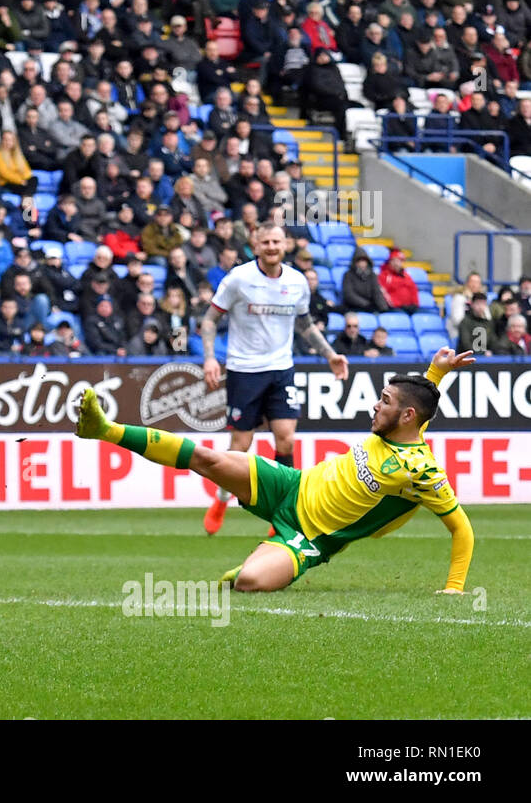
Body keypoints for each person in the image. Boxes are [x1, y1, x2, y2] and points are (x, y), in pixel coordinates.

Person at [74, 346, 477, 594]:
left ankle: (256, 562)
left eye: (384, 401)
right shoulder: (405, 422)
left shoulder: (421, 471)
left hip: (308, 538)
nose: (375, 405)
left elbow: (461, 528)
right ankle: (106, 429)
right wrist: (436, 373)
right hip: (291, 484)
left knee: (249, 582)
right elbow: (417, 404)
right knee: (209, 459)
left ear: (405, 415)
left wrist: (455, 588)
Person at [200, 221, 349, 536]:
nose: (271, 247)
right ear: (256, 246)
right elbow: (210, 319)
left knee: (286, 438)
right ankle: (222, 498)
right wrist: (210, 357)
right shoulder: (239, 278)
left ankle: (284, 512)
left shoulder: (296, 282)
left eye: (276, 242)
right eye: (265, 242)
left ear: (285, 245)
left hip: (281, 369)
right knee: (240, 445)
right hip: (244, 370)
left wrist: (330, 355)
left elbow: (305, 324)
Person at [378, 248, 419, 314]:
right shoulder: (384, 276)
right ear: (390, 262)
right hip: (395, 308)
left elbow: (413, 290)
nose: (396, 263)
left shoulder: (407, 276)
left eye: (399, 261)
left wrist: (415, 304)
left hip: (409, 308)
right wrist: (394, 305)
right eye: (394, 261)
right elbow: (383, 293)